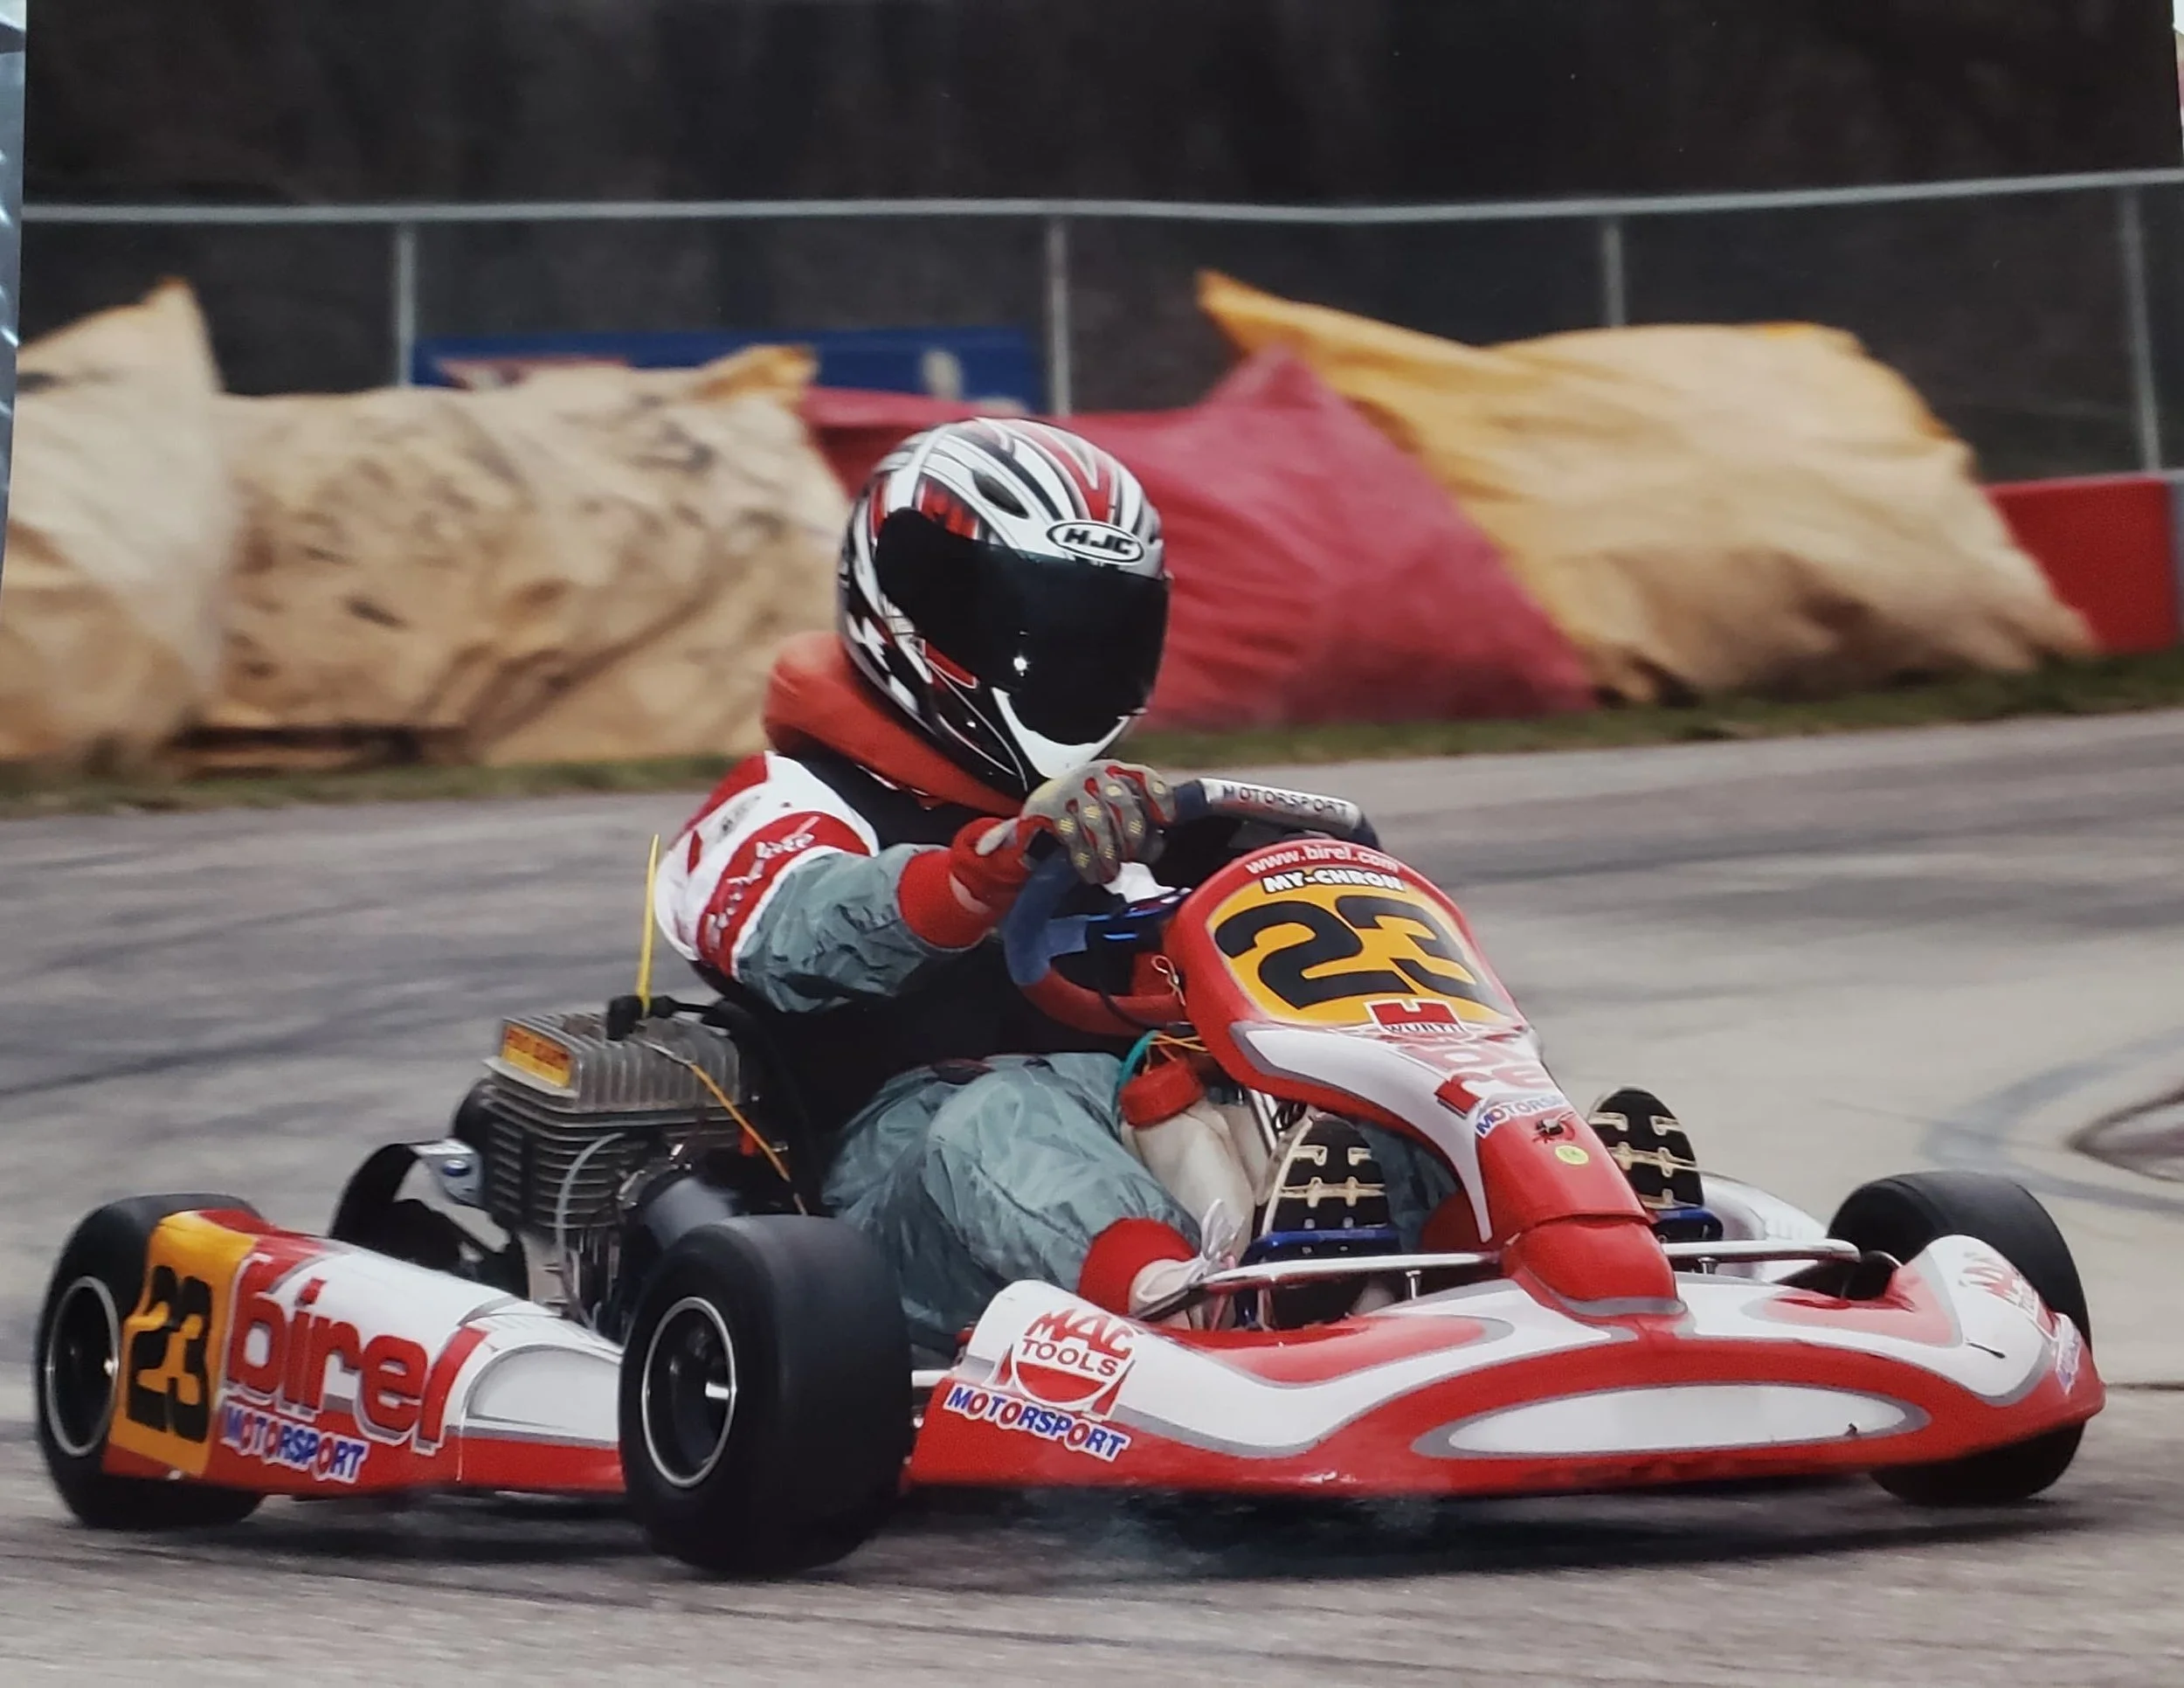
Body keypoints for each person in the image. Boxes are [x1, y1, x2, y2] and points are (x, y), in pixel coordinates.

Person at [653, 418, 1460, 1360]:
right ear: (915, 606)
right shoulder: (788, 795)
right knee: (1007, 1118)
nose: (1067, 662)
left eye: (1095, 633)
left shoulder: (1128, 820)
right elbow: (795, 937)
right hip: (890, 1210)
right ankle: (1189, 1323)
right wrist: (982, 868)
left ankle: (1548, 1261)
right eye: (1032, 625)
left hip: (1143, 1124)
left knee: (1364, 1086)